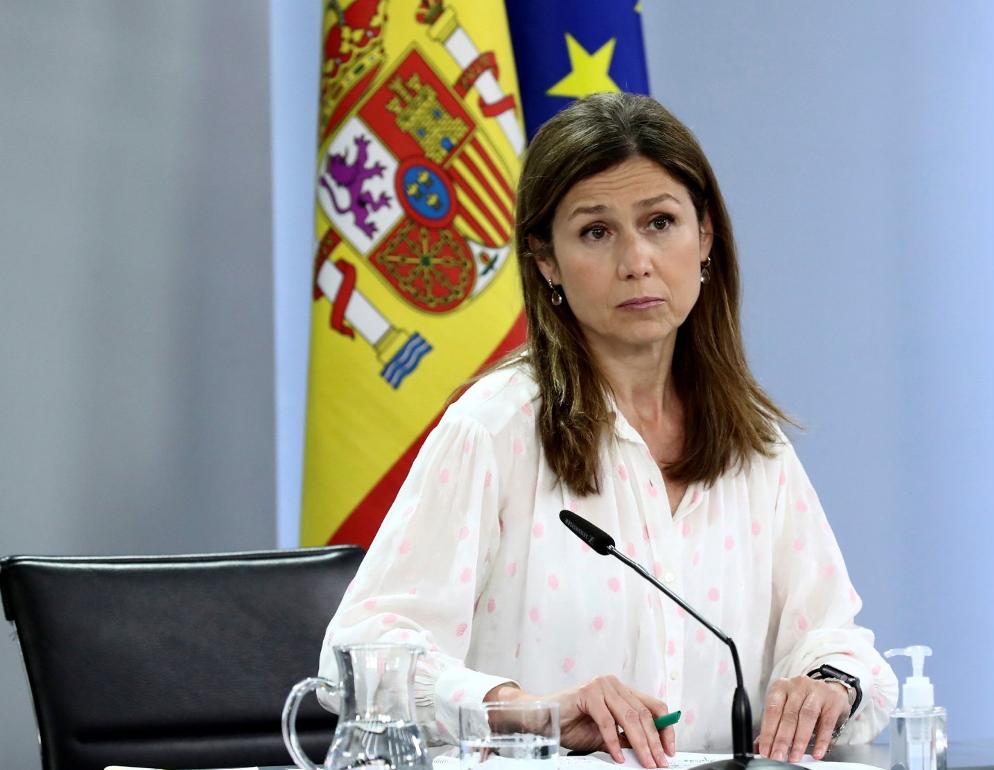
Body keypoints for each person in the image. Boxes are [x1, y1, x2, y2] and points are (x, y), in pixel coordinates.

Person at [318, 92, 898, 766]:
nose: (636, 261)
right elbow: (358, 658)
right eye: (596, 232)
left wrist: (832, 684)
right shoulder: (494, 429)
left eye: (660, 222)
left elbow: (835, 637)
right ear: (547, 260)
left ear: (705, 238)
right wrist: (525, 709)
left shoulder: (754, 445)